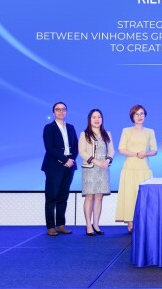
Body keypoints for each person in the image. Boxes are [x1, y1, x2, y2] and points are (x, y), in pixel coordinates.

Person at [115, 104, 157, 234]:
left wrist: (146, 153)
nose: (139, 116)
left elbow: (154, 150)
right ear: (132, 116)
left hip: (144, 168)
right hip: (130, 167)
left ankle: (144, 222)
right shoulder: (126, 131)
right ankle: (130, 222)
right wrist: (136, 154)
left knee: (145, 197)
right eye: (137, 114)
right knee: (129, 195)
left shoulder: (150, 132)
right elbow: (121, 149)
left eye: (142, 114)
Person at [41, 101, 78, 236]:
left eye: (63, 109)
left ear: (66, 112)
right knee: (51, 196)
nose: (61, 112)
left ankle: (61, 225)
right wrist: (64, 160)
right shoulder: (49, 128)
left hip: (69, 165)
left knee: (63, 196)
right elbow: (49, 148)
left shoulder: (71, 127)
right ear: (53, 112)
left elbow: (76, 146)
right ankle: (51, 226)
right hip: (54, 166)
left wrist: (71, 160)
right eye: (58, 109)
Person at [78, 109, 114, 236]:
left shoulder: (107, 134)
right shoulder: (84, 134)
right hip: (90, 169)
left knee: (99, 196)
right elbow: (82, 151)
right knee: (90, 196)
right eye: (94, 117)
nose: (97, 119)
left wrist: (107, 160)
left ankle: (96, 224)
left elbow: (111, 151)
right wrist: (96, 161)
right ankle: (88, 225)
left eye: (99, 117)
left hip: (103, 169)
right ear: (89, 119)